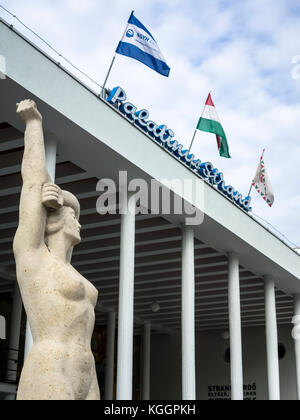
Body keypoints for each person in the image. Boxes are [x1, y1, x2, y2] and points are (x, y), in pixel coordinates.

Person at [13, 99, 100, 400]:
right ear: (52, 222)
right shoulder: (34, 257)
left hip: (86, 371)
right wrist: (34, 124)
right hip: (52, 367)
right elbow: (32, 184)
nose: (79, 224)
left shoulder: (70, 271)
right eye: (73, 216)